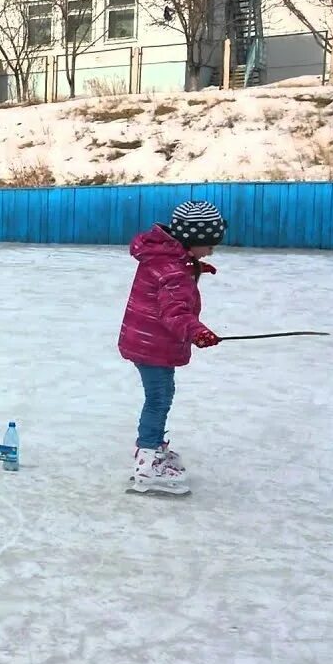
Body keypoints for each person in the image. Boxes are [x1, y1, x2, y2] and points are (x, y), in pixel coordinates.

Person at [118, 200, 226, 494]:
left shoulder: (166, 258)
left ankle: (151, 448)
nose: (214, 249)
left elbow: (166, 278)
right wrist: (199, 333)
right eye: (210, 244)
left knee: (161, 395)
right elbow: (174, 313)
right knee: (159, 398)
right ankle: (148, 459)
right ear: (192, 240)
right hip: (153, 343)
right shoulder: (175, 272)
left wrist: (195, 267)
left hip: (144, 337)